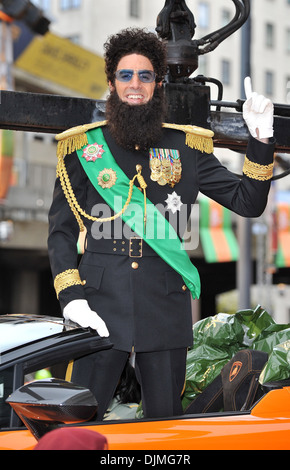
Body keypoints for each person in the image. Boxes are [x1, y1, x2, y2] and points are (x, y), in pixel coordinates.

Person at [48, 28, 275, 420]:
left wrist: (260, 138)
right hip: (98, 304)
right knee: (78, 424)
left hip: (165, 304)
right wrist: (73, 299)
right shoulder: (86, 148)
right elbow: (61, 232)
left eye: (145, 75)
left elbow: (248, 202)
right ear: (111, 82)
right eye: (125, 75)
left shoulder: (188, 147)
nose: (135, 84)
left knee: (165, 427)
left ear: (158, 84)